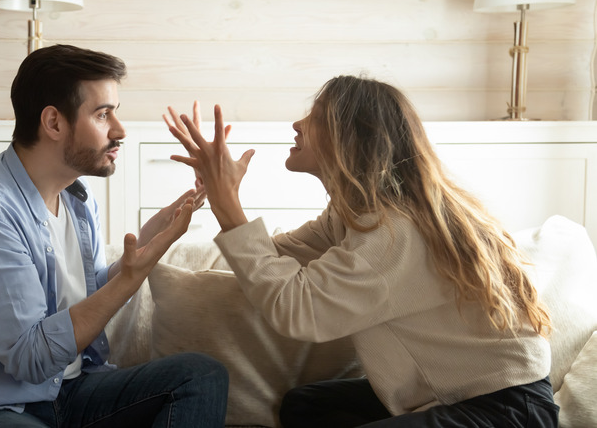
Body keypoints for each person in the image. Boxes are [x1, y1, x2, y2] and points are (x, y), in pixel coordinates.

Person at [164, 75, 558, 427]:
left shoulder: (395, 233)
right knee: (305, 407)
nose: (297, 125)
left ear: (350, 136)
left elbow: (299, 310)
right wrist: (219, 198)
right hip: (453, 394)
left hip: (506, 409)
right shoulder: (356, 215)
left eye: (314, 117)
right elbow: (270, 259)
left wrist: (227, 202)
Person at [0, 44, 229, 428]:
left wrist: (147, 248)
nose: (120, 130)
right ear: (54, 123)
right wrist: (130, 278)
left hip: (70, 390)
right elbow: (31, 358)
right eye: (102, 114)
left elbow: (91, 300)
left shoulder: (78, 200)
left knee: (201, 376)